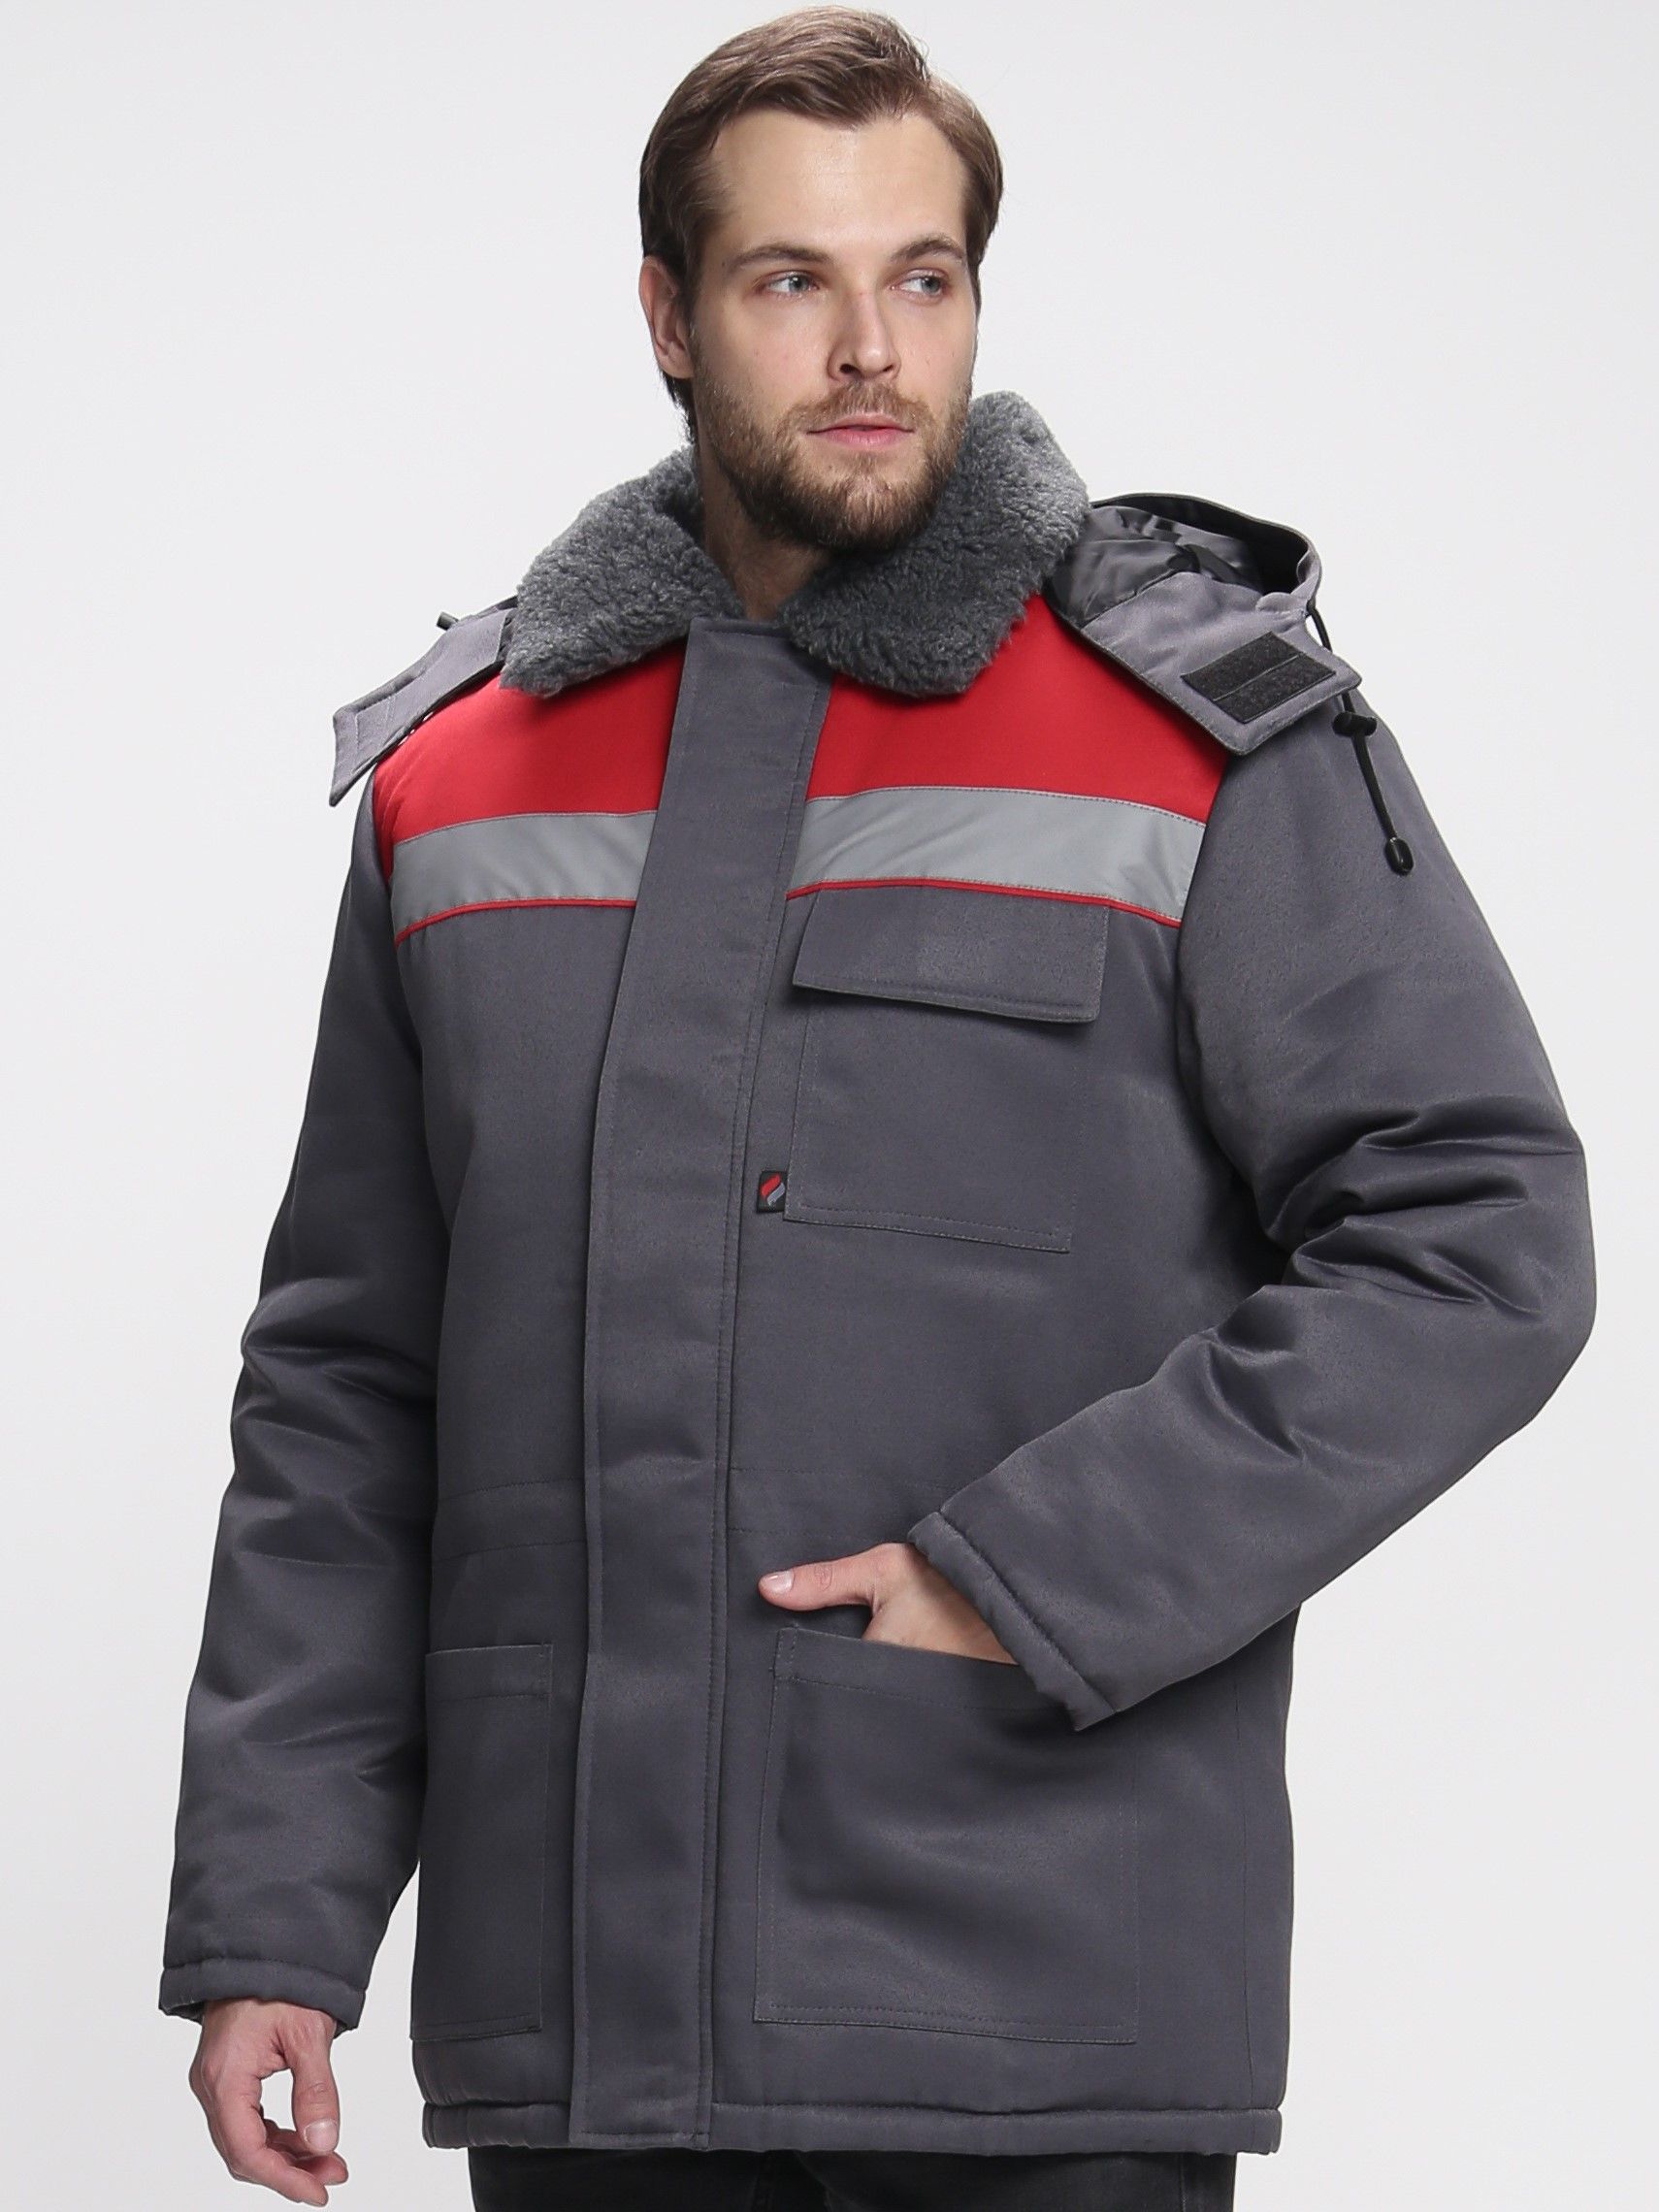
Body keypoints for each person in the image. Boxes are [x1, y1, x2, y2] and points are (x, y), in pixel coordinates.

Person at [158, 10, 1596, 2209]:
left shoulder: (1194, 733)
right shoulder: (465, 780)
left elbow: (1477, 1235)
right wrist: (280, 1910)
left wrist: (1035, 1572)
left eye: (923, 277)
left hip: (1039, 1988)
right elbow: (353, 1376)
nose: (869, 350)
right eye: (791, 280)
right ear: (668, 317)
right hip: (588, 2036)